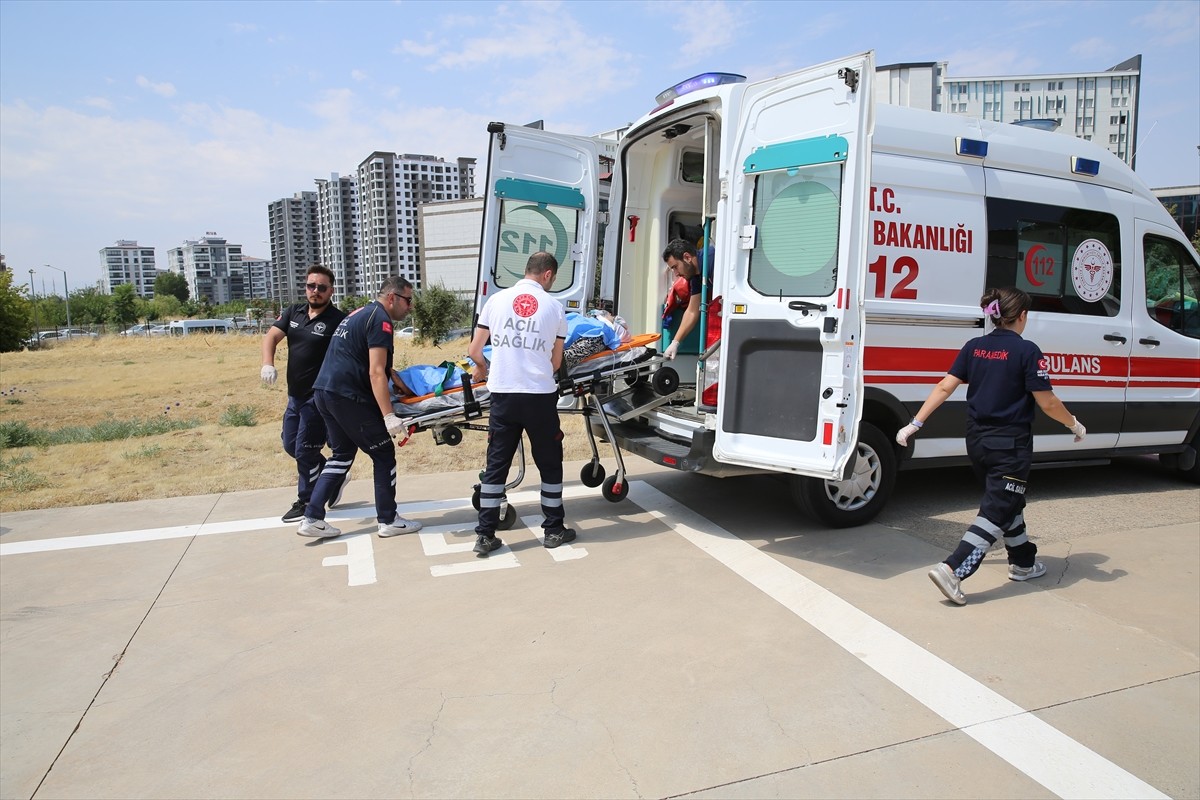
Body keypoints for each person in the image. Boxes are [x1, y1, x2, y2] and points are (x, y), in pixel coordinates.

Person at [896, 287, 1087, 605]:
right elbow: (1048, 402)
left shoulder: (975, 347)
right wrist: (1074, 424)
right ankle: (953, 569)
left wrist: (915, 423)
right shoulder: (1027, 351)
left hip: (977, 443)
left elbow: (945, 386)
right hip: (1009, 445)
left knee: (1008, 502)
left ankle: (1024, 563)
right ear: (1022, 316)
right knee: (996, 509)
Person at [295, 277, 422, 539]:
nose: (409, 307)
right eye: (407, 300)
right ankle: (388, 520)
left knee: (341, 455)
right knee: (384, 454)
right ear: (392, 298)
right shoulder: (381, 321)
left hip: (325, 391)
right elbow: (376, 373)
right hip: (346, 396)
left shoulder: (361, 313)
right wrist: (389, 415)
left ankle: (312, 517)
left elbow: (363, 361)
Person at [467, 251, 572, 557]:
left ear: (527, 271)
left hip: (503, 396)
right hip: (539, 396)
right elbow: (555, 361)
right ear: (548, 275)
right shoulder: (554, 308)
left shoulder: (495, 302)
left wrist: (486, 369)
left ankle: (484, 535)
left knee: (496, 465)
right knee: (549, 463)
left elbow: (475, 350)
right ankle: (553, 530)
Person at [261, 265, 349, 523]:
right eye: (312, 286)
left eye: (322, 288)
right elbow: (271, 337)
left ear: (331, 291)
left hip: (318, 397)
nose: (316, 291)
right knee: (290, 444)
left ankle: (307, 498)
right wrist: (268, 363)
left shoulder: (337, 320)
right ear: (306, 286)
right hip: (295, 395)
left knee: (304, 450)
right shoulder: (293, 312)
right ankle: (333, 473)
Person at [660, 238, 717, 360]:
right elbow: (692, 311)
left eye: (675, 267)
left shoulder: (712, 260)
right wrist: (675, 342)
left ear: (687, 257)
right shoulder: (695, 276)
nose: (676, 274)